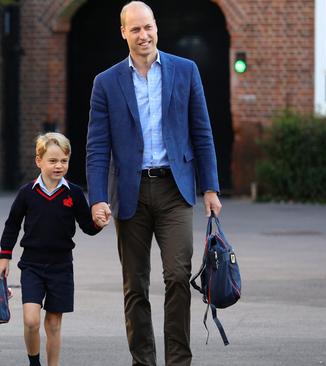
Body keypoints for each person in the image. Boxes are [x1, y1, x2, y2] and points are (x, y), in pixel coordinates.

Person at [85, 2, 223, 365]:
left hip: (175, 189)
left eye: (148, 27)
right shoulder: (106, 82)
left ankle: (178, 360)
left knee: (178, 275)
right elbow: (97, 147)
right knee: (136, 286)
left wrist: (210, 187)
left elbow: (202, 132)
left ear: (156, 27)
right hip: (129, 193)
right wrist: (97, 198)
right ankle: (142, 361)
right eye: (135, 30)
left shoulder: (185, 70)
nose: (143, 36)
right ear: (123, 33)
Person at [0, 132, 106, 366]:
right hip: (32, 266)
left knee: (54, 323)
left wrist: (98, 223)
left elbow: (87, 226)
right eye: (52, 161)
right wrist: (5, 257)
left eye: (63, 161)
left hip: (61, 267)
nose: (58, 166)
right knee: (31, 320)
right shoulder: (27, 193)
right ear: (39, 161)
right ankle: (34, 362)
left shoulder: (73, 193)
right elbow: (12, 225)